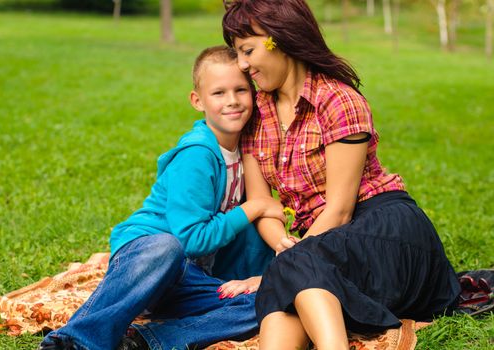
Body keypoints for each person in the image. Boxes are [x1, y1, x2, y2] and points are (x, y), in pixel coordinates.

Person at [222, 1, 461, 349]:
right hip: (324, 245)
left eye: (247, 51)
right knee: (288, 277)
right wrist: (282, 245)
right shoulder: (256, 114)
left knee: (292, 267)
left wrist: (291, 256)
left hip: (382, 227)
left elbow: (340, 210)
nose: (242, 65)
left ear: (279, 37)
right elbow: (262, 203)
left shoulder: (337, 100)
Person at [39, 45, 284, 350]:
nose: (232, 101)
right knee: (167, 247)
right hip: (148, 261)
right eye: (219, 93)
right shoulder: (197, 154)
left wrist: (257, 277)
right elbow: (192, 239)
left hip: (188, 279)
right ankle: (75, 340)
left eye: (240, 90)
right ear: (198, 100)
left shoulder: (246, 153)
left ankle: (147, 340)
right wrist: (254, 207)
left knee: (268, 299)